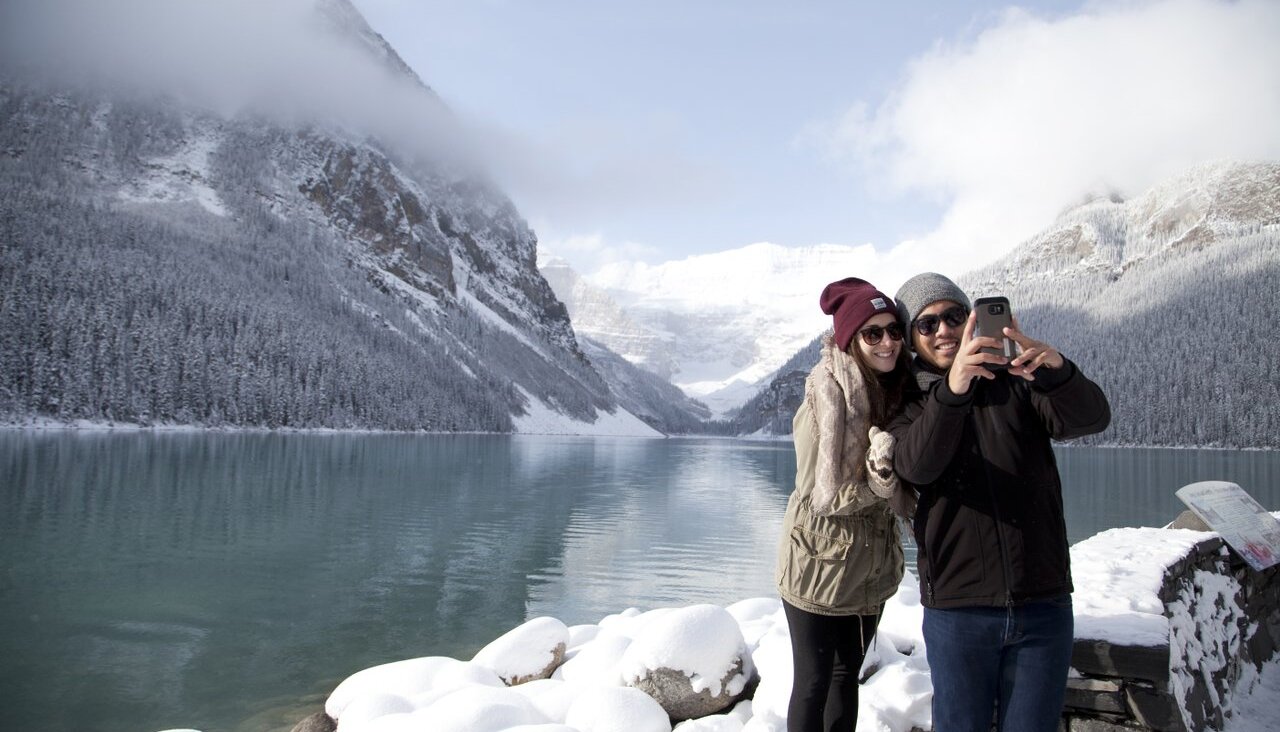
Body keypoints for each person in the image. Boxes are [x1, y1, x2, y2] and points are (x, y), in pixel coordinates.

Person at [887, 272, 1111, 732]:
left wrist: (1057, 372)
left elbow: (1091, 419)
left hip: (1042, 603)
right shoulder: (906, 404)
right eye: (927, 324)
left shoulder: (1019, 382)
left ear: (972, 321)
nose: (944, 330)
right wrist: (954, 389)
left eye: (953, 316)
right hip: (958, 611)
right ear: (912, 340)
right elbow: (917, 466)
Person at [776, 277, 911, 732]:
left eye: (894, 330)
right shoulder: (824, 393)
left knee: (845, 678)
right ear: (851, 338)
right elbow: (821, 492)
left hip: (869, 563)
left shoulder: (898, 390)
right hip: (817, 560)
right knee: (814, 681)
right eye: (873, 333)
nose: (887, 341)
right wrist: (881, 484)